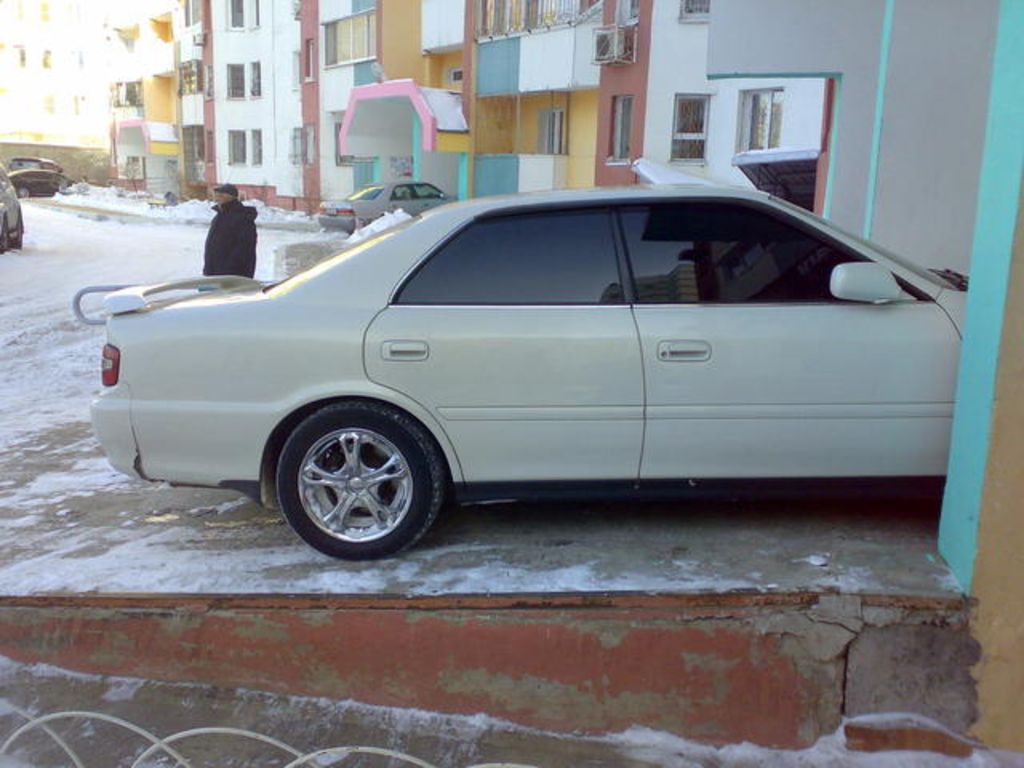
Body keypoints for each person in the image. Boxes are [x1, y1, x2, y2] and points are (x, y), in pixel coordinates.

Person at [203, 183, 257, 278]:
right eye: (216, 195)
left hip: (231, 276)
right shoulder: (220, 215)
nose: (217, 198)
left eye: (220, 195)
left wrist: (228, 272)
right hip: (213, 273)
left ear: (230, 197)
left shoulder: (242, 218)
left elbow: (244, 250)